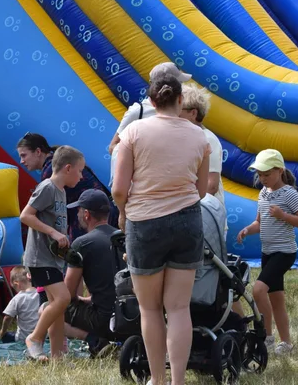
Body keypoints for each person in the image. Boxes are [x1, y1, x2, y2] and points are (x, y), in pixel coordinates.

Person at [112, 72, 208, 385]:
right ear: (181, 100)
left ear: (152, 102)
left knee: (150, 309)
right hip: (187, 221)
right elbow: (203, 189)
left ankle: (158, 379)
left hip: (145, 223)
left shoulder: (134, 132)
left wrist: (123, 213)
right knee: (179, 308)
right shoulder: (198, 136)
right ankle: (178, 380)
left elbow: (118, 189)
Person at [236, 149, 298, 356]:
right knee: (277, 299)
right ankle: (286, 342)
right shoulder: (263, 193)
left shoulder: (289, 194)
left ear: (279, 171)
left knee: (258, 290)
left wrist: (283, 215)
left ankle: (267, 336)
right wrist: (247, 230)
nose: (262, 179)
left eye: (267, 174)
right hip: (268, 252)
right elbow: (259, 222)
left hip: (284, 252)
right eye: (259, 175)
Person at [20, 145, 85, 362]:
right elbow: (26, 216)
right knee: (63, 298)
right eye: (80, 170)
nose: (82, 175)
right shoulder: (47, 187)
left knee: (57, 308)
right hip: (40, 258)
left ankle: (57, 356)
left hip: (52, 259)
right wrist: (54, 233)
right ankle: (35, 338)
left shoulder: (61, 191)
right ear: (68, 168)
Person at [16, 132, 116, 240]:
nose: (21, 161)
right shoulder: (54, 166)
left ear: (38, 151)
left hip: (93, 218)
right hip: (103, 214)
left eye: (23, 155)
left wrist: (52, 233)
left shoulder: (51, 172)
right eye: (79, 171)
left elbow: (34, 214)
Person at [62, 189, 119, 354]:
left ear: (86, 214)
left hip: (104, 320)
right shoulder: (123, 238)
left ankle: (95, 342)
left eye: (79, 210)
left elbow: (67, 294)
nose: (78, 215)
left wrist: (79, 299)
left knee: (48, 309)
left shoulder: (82, 243)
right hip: (130, 317)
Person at [179, 83, 224, 210]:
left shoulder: (208, 139)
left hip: (204, 212)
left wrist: (191, 210)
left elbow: (212, 184)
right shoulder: (181, 137)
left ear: (193, 113)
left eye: (179, 111)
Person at [0, 266, 40, 343]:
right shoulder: (40, 295)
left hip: (23, 337)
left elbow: (7, 317)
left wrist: (2, 331)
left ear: (17, 284)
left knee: (6, 336)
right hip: (42, 335)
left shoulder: (17, 298)